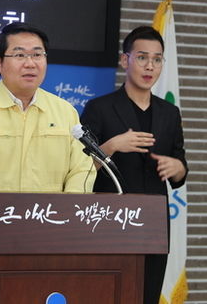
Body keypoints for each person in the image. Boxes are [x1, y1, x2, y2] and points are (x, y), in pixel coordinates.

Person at [80, 25, 188, 304]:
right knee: (107, 295)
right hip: (108, 221)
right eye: (142, 57)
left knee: (147, 296)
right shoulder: (99, 108)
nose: (150, 66)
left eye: (157, 59)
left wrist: (177, 168)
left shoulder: (169, 113)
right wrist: (112, 146)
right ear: (124, 60)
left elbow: (180, 167)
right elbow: (78, 170)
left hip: (153, 224)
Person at [0, 22, 95, 193]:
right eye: (20, 55)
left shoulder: (65, 112)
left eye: (37, 54)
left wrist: (69, 206)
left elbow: (82, 169)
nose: (30, 63)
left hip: (53, 211)